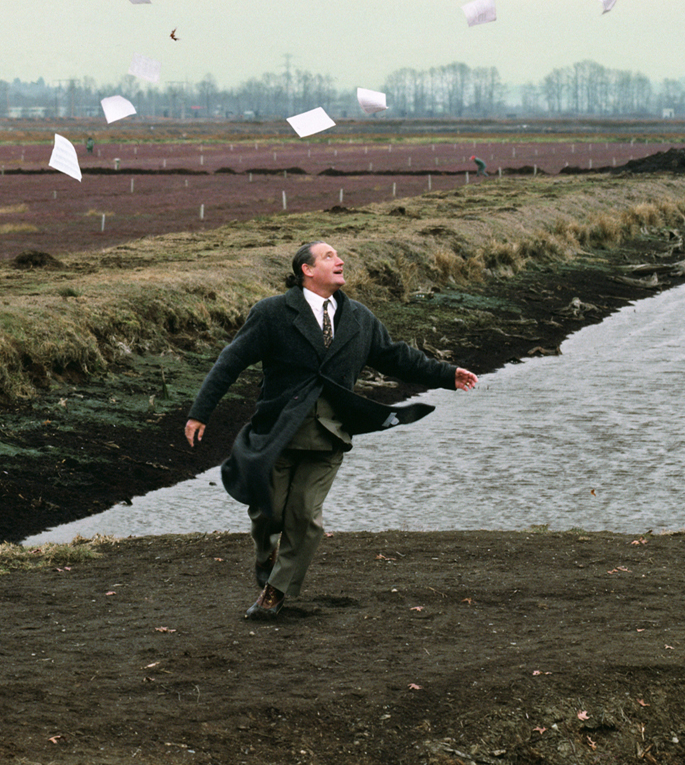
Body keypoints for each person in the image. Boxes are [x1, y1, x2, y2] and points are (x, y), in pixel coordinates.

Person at [183, 241, 478, 620]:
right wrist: (200, 412)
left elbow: (396, 357)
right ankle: (266, 551)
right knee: (267, 512)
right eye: (329, 257)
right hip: (277, 431)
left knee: (305, 517)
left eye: (338, 257)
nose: (340, 261)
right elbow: (231, 360)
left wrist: (445, 375)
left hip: (330, 433)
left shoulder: (359, 319)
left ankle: (274, 593)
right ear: (306, 269)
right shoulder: (272, 313)